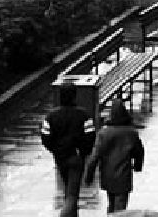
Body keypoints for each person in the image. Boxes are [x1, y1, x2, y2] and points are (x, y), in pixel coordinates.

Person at [41, 82, 96, 217]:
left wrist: (55, 150)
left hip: (60, 157)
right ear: (74, 96)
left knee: (68, 188)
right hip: (76, 157)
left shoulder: (51, 116)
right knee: (72, 194)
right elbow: (90, 135)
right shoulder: (83, 115)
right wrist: (83, 151)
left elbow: (45, 137)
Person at [85, 100, 144, 214]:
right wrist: (137, 166)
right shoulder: (131, 133)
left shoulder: (104, 133)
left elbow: (95, 156)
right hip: (123, 175)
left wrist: (89, 175)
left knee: (111, 204)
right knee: (120, 208)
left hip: (108, 175)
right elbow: (139, 152)